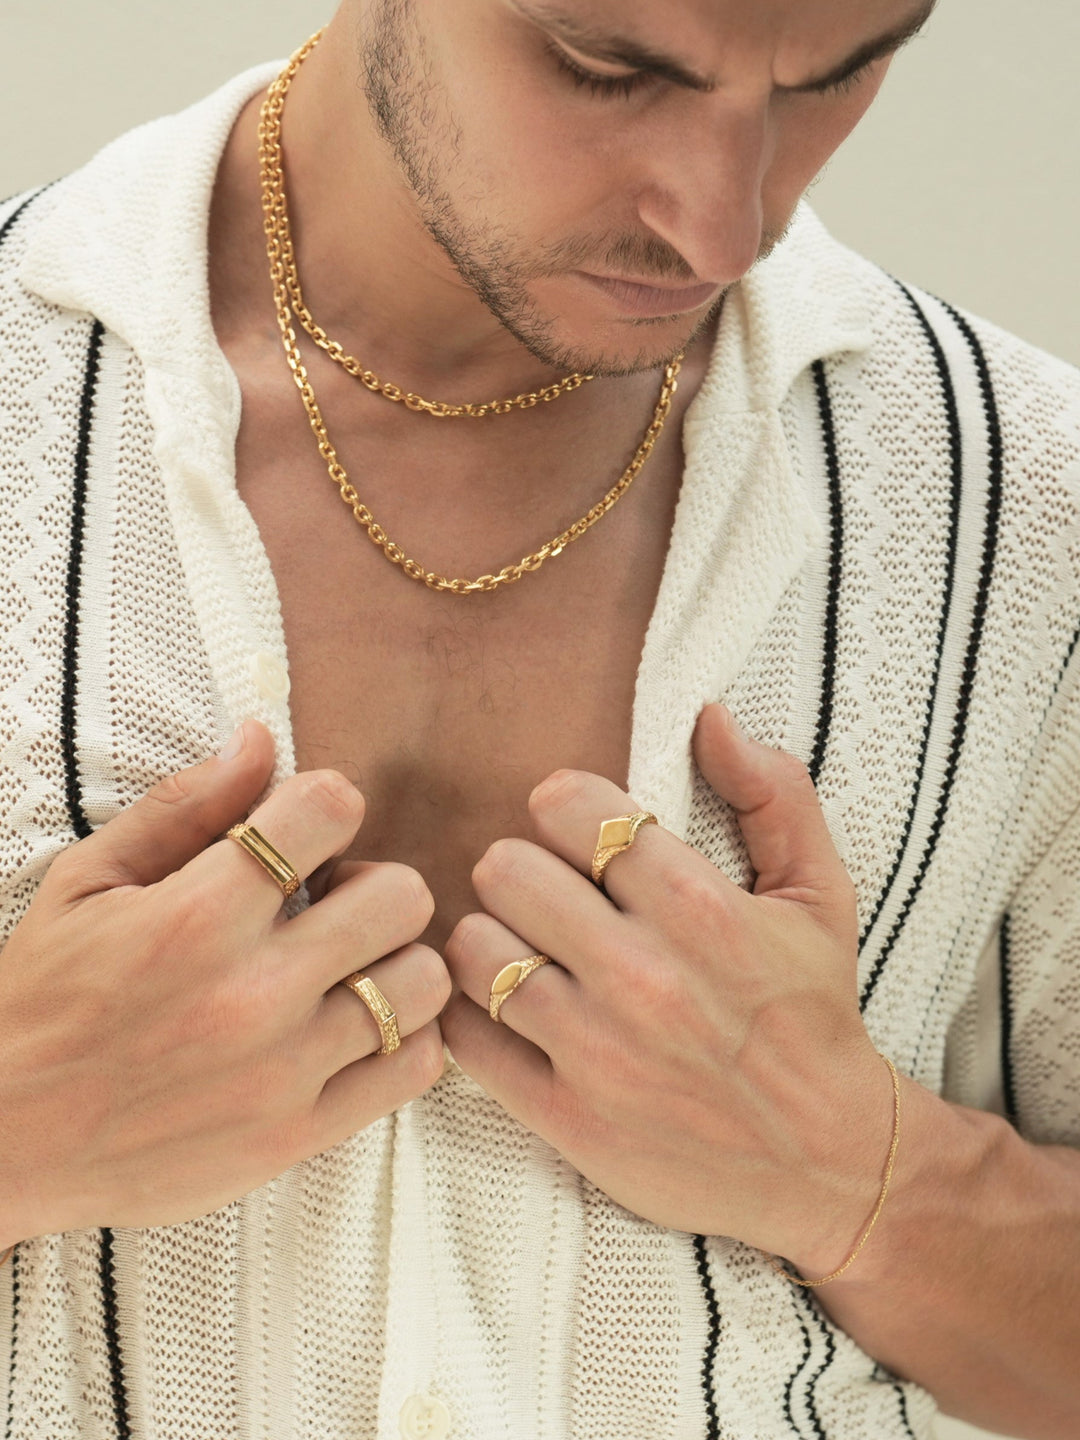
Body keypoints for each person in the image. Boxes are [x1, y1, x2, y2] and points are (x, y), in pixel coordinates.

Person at [0, 1, 1077, 1436]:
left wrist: (869, 1178)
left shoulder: (1027, 507)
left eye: (834, 77)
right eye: (607, 69)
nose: (722, 224)